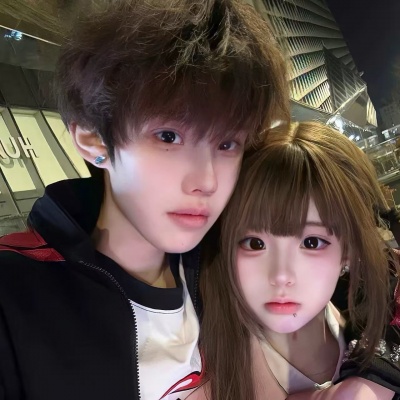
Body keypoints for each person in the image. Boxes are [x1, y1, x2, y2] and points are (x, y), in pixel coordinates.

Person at [0, 1, 289, 399]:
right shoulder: (16, 295)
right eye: (168, 136)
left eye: (227, 144)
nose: (206, 181)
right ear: (93, 139)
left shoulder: (224, 263)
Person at [198, 121, 400, 400]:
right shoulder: (203, 379)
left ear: (348, 250)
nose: (281, 275)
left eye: (312, 242)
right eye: (255, 243)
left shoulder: (370, 326)